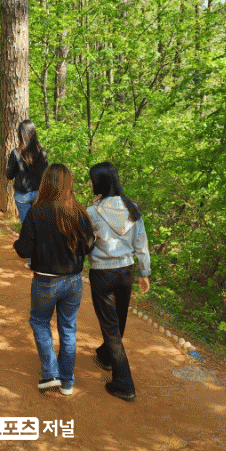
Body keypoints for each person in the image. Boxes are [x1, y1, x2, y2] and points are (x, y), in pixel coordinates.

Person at [14, 164, 95, 395]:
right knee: (68, 329)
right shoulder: (77, 211)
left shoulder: (37, 211)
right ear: (69, 184)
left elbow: (24, 249)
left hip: (46, 281)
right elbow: (88, 246)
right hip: (74, 281)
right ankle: (67, 382)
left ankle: (51, 373)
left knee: (40, 322)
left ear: (46, 183)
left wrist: (18, 244)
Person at [87, 161, 151, 403]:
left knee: (110, 326)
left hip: (102, 272)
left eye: (92, 179)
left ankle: (124, 382)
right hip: (126, 271)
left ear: (100, 183)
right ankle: (106, 356)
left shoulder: (92, 212)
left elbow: (85, 242)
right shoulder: (132, 209)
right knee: (118, 320)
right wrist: (144, 272)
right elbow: (141, 243)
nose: (90, 183)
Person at [6, 120, 48, 223]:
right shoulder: (42, 152)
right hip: (39, 193)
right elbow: (46, 173)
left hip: (22, 194)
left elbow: (9, 175)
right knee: (39, 225)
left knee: (26, 227)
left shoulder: (16, 153)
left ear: (20, 134)